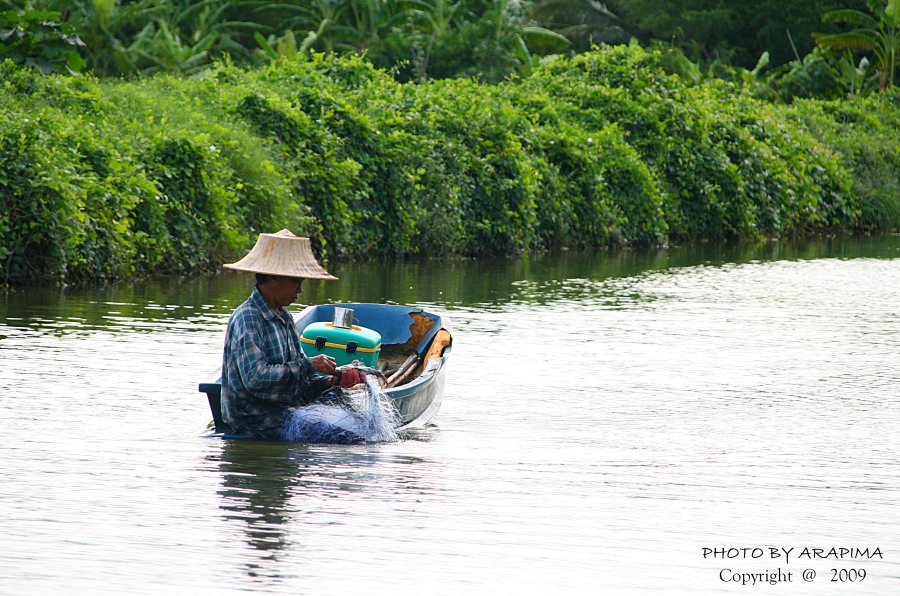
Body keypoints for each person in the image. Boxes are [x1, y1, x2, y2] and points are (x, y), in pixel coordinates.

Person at [220, 229, 364, 439]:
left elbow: (300, 381)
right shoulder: (248, 318)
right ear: (274, 278)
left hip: (286, 409)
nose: (299, 290)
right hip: (255, 418)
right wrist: (310, 364)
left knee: (352, 423)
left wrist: (333, 381)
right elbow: (254, 378)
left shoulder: (285, 318)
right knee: (346, 438)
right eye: (296, 282)